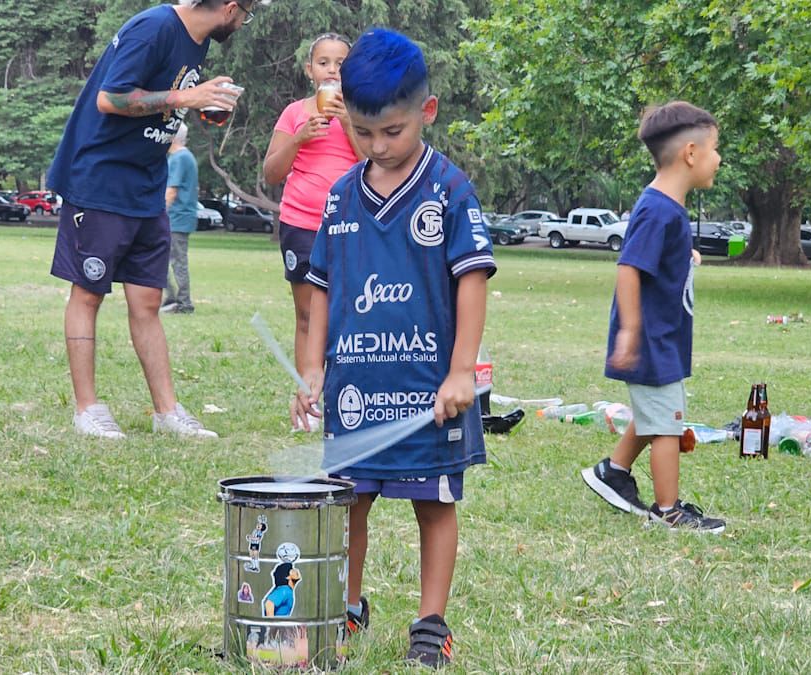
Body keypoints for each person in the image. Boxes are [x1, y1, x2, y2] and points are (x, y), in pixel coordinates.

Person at [290, 28, 495, 669]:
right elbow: (321, 287)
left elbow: (472, 279)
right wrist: (311, 369)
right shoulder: (340, 197)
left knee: (434, 503)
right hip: (357, 389)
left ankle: (431, 624)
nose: (378, 146)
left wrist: (461, 371)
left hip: (428, 392)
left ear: (426, 112)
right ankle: (346, 607)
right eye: (363, 132)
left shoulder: (449, 190)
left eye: (393, 131)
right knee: (349, 502)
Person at [46, 0, 258, 439]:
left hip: (146, 185)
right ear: (230, 7)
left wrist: (199, 103)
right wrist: (185, 97)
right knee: (88, 294)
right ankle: (87, 409)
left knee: (147, 302)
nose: (243, 23)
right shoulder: (155, 27)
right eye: (247, 13)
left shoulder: (197, 42)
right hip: (102, 179)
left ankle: (167, 412)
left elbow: (163, 104)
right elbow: (110, 98)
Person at [580, 101, 726, 535]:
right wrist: (629, 330)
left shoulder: (667, 209)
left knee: (655, 414)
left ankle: (613, 472)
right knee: (666, 424)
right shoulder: (658, 208)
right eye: (715, 148)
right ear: (691, 153)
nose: (719, 159)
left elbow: (655, 257)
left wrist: (684, 254)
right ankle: (668, 511)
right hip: (650, 339)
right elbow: (629, 268)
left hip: (663, 337)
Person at [263, 33, 364, 429]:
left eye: (341, 63)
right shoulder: (294, 113)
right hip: (301, 224)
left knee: (349, 316)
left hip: (350, 226)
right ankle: (307, 402)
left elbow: (376, 165)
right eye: (324, 62)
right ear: (310, 70)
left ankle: (350, 399)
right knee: (307, 316)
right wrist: (300, 138)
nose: (332, 70)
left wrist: (348, 123)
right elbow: (272, 172)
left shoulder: (362, 112)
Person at [161, 123, 198, 314]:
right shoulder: (184, 157)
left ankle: (183, 303)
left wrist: (159, 214)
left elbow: (171, 191)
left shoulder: (179, 158)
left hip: (176, 218)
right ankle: (171, 297)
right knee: (163, 258)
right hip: (179, 217)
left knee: (177, 260)